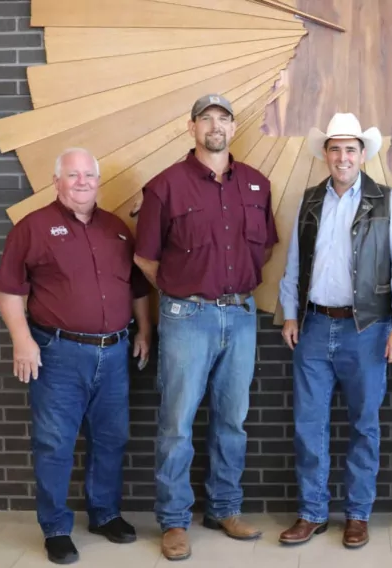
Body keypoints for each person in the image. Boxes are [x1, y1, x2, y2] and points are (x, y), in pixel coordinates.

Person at [133, 94, 278, 561]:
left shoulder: (256, 185)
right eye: (206, 118)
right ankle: (174, 520)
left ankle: (224, 508)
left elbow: (265, 249)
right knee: (177, 423)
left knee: (232, 420)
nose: (215, 126)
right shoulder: (165, 187)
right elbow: (145, 258)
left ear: (233, 128)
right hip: (187, 318)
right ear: (192, 127)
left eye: (223, 119)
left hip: (241, 315)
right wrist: (181, 289)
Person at [0, 148, 152, 565]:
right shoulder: (33, 228)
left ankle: (105, 514)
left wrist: (145, 330)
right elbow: (9, 289)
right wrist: (22, 340)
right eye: (73, 175)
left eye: (89, 175)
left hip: (114, 352)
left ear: (98, 181)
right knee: (54, 442)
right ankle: (56, 528)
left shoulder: (117, 229)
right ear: (56, 181)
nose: (82, 182)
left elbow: (137, 288)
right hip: (58, 354)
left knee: (111, 438)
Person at [277, 113, 392, 549]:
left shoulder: (388, 201)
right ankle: (312, 513)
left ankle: (358, 514)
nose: (343, 157)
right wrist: (290, 314)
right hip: (313, 326)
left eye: (350, 150)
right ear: (326, 154)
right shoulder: (309, 200)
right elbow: (295, 262)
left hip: (369, 329)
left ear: (363, 155)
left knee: (364, 425)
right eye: (335, 149)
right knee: (309, 425)